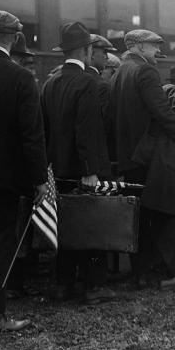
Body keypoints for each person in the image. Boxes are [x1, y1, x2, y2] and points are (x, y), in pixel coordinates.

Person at [110, 29, 175, 288]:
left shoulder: (119, 71)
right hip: (151, 155)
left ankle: (141, 273)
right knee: (162, 213)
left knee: (139, 216)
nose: (158, 50)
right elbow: (162, 112)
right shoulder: (145, 71)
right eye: (153, 46)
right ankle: (165, 272)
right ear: (137, 46)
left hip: (128, 155)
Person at [0, 10, 48, 331]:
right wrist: (38, 180)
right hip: (3, 177)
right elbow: (32, 135)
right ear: (14, 37)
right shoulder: (21, 78)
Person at [41, 22, 116, 304]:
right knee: (92, 223)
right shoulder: (88, 82)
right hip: (82, 169)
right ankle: (94, 285)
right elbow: (87, 130)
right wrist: (90, 171)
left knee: (65, 224)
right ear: (86, 50)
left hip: (56, 168)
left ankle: (63, 283)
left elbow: (44, 128)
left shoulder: (51, 82)